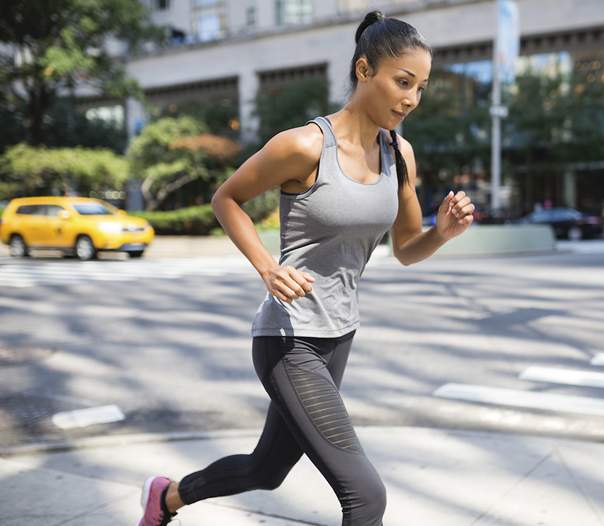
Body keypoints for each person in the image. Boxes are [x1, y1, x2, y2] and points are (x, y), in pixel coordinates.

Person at [136, 10, 475, 526]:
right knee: (366, 495)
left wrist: (441, 234)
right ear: (364, 71)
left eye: (421, 87)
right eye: (402, 82)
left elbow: (406, 247)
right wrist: (268, 267)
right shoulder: (304, 145)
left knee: (267, 469)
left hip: (339, 334)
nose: (411, 98)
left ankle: (166, 497)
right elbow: (226, 198)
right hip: (289, 338)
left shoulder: (399, 153)